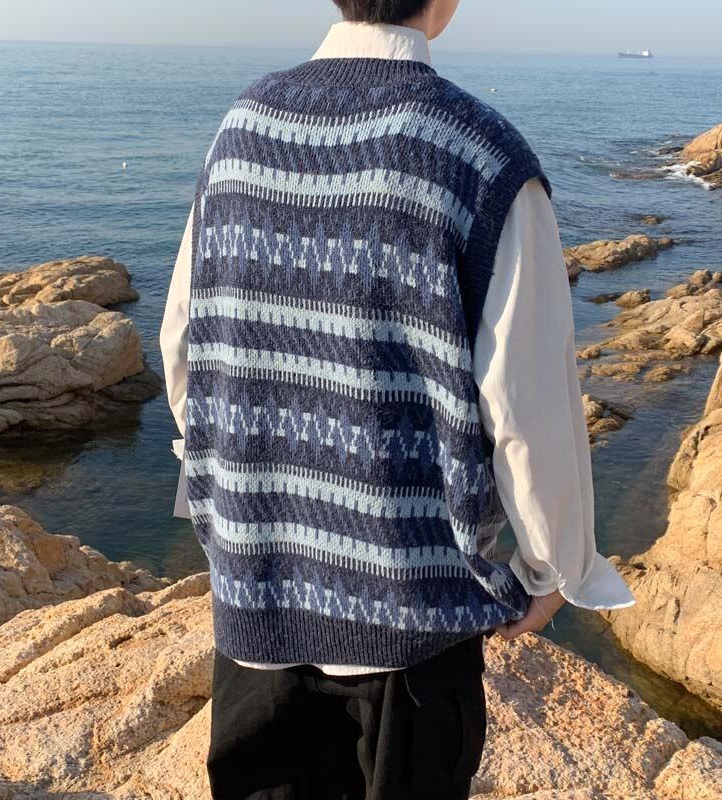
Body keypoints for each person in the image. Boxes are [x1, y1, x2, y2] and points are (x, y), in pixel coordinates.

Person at [160, 1, 636, 797]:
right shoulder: (479, 156)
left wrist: (235, 504)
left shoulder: (240, 130)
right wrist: (556, 568)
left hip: (255, 616)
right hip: (413, 641)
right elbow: (527, 409)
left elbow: (185, 342)